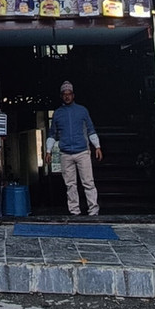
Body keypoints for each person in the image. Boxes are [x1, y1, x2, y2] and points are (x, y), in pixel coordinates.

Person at [44, 81, 102, 216]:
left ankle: (93, 210)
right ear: (61, 96)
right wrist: (48, 151)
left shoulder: (82, 111)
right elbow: (52, 134)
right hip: (65, 153)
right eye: (64, 94)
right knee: (70, 184)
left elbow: (91, 130)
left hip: (82, 151)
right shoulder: (58, 113)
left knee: (88, 182)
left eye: (69, 94)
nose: (67, 96)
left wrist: (97, 147)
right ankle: (74, 211)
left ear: (73, 95)